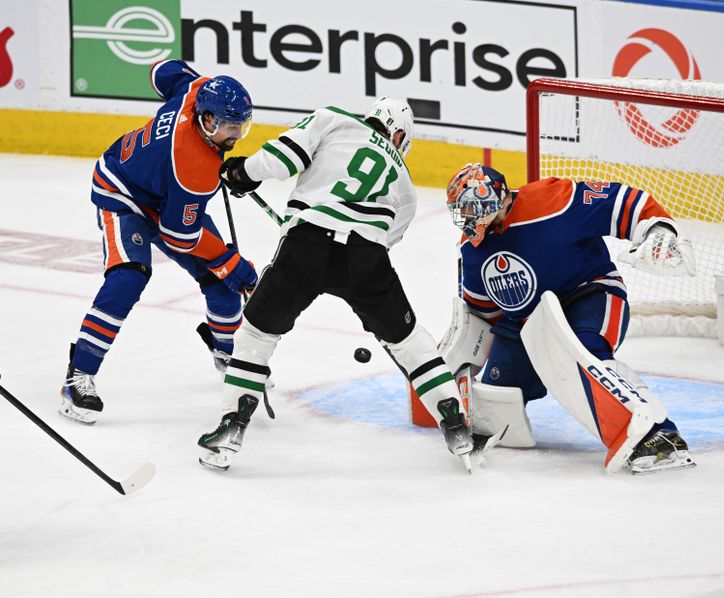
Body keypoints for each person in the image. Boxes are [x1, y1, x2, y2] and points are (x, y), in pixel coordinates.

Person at [196, 98, 475, 471]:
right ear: (396, 134)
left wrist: (243, 173)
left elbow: (281, 159)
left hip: (306, 247)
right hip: (366, 259)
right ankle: (455, 422)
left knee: (257, 335)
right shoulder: (404, 181)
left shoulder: (333, 120)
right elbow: (389, 237)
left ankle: (232, 426)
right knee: (409, 341)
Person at [442, 162, 698, 474]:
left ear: (493, 199)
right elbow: (483, 315)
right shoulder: (472, 249)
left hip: (590, 295)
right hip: (527, 322)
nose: (465, 219)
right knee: (497, 397)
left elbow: (622, 201)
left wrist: (657, 228)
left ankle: (660, 432)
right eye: (461, 211)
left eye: (470, 209)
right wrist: (450, 374)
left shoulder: (552, 201)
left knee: (586, 356)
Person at [59, 59, 259, 425]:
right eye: (231, 127)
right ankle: (78, 377)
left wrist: (225, 266)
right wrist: (233, 263)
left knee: (219, 280)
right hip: (121, 192)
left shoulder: (197, 90)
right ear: (209, 120)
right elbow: (180, 238)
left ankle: (227, 353)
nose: (237, 135)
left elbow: (161, 70)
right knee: (130, 276)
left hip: (164, 194)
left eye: (242, 126)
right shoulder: (192, 168)